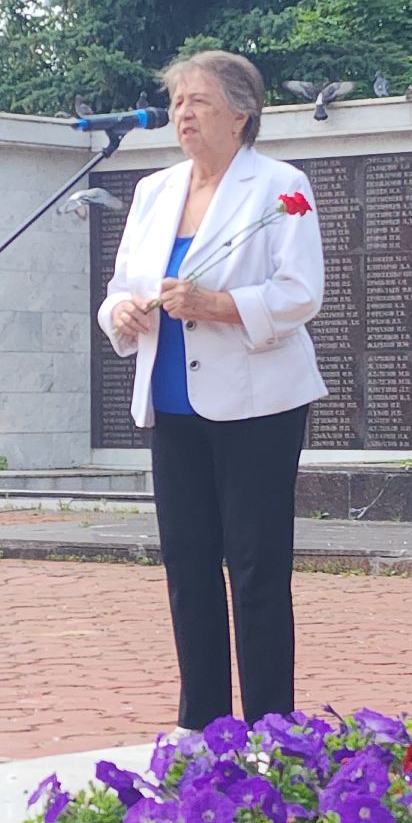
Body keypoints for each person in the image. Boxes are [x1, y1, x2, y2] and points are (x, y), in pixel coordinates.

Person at [96, 50, 327, 731]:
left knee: (255, 571)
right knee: (189, 571)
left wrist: (215, 304)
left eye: (198, 100)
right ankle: (200, 729)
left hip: (258, 406)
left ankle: (270, 733)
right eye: (176, 102)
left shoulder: (280, 186)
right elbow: (118, 291)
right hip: (171, 404)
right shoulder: (153, 190)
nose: (183, 114)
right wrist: (124, 315)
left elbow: (299, 294)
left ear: (241, 111)